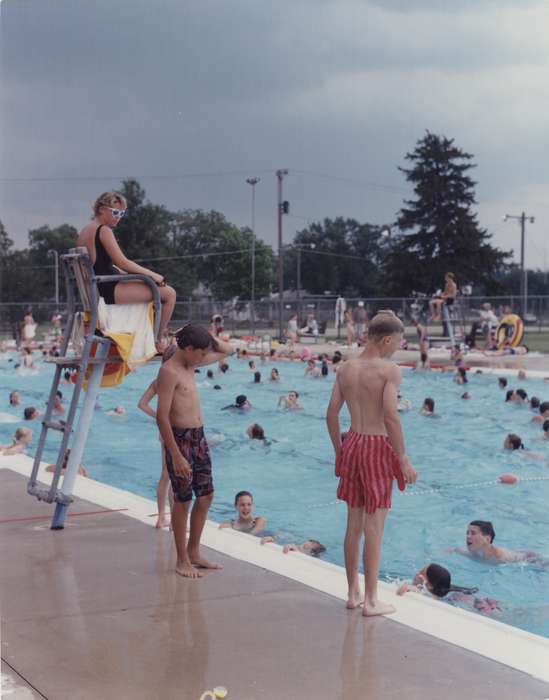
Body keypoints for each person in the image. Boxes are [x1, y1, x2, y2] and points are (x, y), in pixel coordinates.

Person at [326, 310, 417, 616]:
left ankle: (352, 593)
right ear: (388, 339)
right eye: (398, 342)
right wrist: (402, 458)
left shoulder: (346, 368)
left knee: (353, 525)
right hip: (377, 447)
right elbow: (391, 415)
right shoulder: (389, 370)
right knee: (374, 527)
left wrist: (340, 451)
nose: (397, 348)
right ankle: (372, 601)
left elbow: (331, 415)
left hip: (352, 441)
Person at [156, 324, 234, 578]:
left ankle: (194, 551)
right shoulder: (169, 372)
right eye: (201, 353)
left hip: (199, 437)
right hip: (180, 440)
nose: (204, 359)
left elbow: (228, 350)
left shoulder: (191, 364)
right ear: (189, 349)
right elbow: (161, 417)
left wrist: (205, 335)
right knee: (183, 500)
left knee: (206, 495)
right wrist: (176, 455)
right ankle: (181, 560)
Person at [76, 191, 176, 352]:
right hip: (106, 289)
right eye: (115, 212)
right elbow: (122, 261)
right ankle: (157, 341)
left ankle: (153, 337)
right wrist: (153, 275)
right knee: (169, 294)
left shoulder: (85, 231)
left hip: (99, 287)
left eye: (122, 213)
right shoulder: (103, 230)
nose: (119, 217)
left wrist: (130, 275)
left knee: (150, 285)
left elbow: (101, 265)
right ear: (101, 209)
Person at [137, 376, 174, 529]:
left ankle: (162, 518)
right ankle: (172, 522)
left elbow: (142, 404)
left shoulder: (158, 381)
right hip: (177, 429)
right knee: (174, 476)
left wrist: (158, 416)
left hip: (164, 430)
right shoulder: (177, 378)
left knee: (166, 475)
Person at [396, 563, 500, 615]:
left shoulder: (427, 595)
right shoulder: (443, 589)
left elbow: (408, 590)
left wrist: (410, 587)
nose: (417, 574)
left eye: (421, 573)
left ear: (430, 585)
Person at [454, 520, 549, 565]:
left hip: (530, 558)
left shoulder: (501, 557)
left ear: (487, 539)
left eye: (473, 533)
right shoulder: (468, 552)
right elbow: (454, 550)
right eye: (467, 533)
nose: (468, 536)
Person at [261, 537, 326, 557]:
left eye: (313, 544)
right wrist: (271, 539)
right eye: (311, 541)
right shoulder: (292, 543)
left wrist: (295, 550)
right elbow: (277, 541)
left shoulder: (308, 556)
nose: (309, 542)